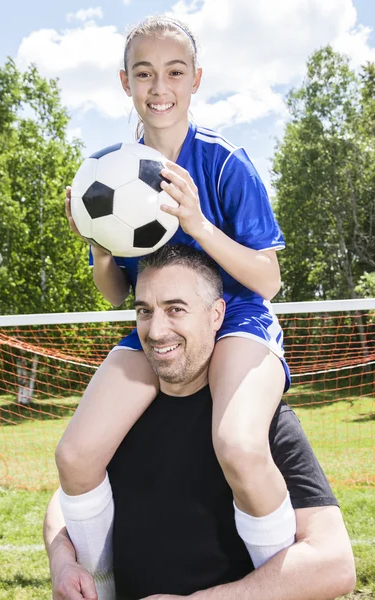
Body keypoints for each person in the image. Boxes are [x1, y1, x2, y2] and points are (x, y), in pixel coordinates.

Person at [57, 15, 294, 596]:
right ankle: (105, 587)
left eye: (174, 72)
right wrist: (97, 244)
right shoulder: (108, 171)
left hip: (235, 319)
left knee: (237, 443)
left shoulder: (225, 163)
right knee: (77, 454)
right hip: (156, 326)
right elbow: (117, 294)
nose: (158, 87)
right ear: (124, 82)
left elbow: (269, 280)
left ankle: (285, 583)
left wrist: (197, 224)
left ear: (196, 80)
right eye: (144, 74)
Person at [45, 244, 356, 600]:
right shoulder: (121, 415)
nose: (157, 330)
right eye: (144, 311)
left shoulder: (257, 422)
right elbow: (64, 500)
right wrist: (64, 561)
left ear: (216, 314)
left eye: (176, 309)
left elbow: (334, 564)